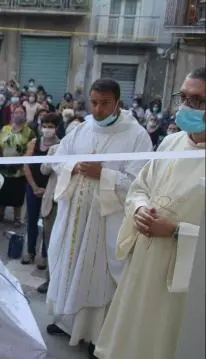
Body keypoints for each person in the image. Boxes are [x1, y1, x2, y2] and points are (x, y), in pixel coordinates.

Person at [94, 67, 206, 359]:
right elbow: (140, 186)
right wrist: (140, 209)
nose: (186, 107)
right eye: (183, 97)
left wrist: (176, 231)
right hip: (144, 261)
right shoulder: (171, 142)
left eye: (198, 100)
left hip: (184, 277)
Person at [45, 78, 154, 354]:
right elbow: (57, 158)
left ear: (118, 102)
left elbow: (140, 182)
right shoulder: (81, 129)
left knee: (98, 275)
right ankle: (67, 321)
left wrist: (103, 174)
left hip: (106, 220)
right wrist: (74, 165)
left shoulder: (137, 135)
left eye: (105, 103)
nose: (98, 109)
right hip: (74, 217)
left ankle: (95, 334)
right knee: (67, 265)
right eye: (94, 102)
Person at [22, 112, 60, 267]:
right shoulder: (34, 143)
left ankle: (45, 255)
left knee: (47, 223)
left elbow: (59, 170)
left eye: (50, 127)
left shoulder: (60, 146)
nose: (47, 130)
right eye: (44, 126)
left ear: (56, 128)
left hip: (50, 190)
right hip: (33, 187)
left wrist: (47, 189)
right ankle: (30, 251)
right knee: (31, 220)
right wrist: (34, 186)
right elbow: (26, 165)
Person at [0, 106, 35, 226]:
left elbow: (31, 148)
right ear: (12, 114)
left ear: (25, 115)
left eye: (21, 112)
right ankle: (0, 214)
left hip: (18, 170)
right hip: (3, 167)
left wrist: (21, 161)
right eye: (16, 112)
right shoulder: (5, 129)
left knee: (17, 195)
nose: (18, 114)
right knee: (1, 192)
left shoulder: (29, 132)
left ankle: (17, 218)